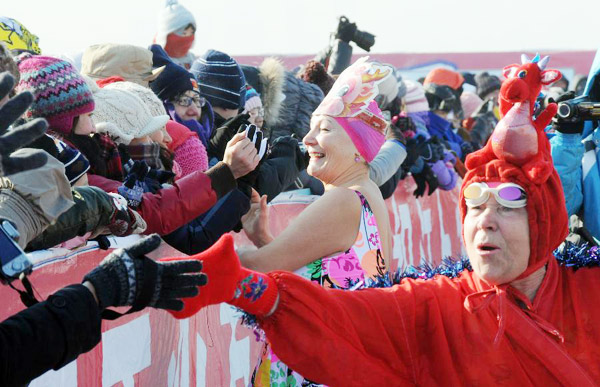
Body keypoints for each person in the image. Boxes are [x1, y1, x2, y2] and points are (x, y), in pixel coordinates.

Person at [160, 55, 600, 384]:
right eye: (475, 203)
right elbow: (344, 300)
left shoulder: (343, 202)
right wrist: (256, 268)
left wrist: (202, 271)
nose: (485, 220)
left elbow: (310, 283)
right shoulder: (436, 297)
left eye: (507, 204)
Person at [173, 58, 393, 385]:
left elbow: (260, 267)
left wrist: (176, 261)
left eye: (326, 129)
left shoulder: (343, 199)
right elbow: (325, 276)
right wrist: (264, 238)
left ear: (359, 148)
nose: (308, 139)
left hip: (315, 367)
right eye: (311, 127)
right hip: (336, 360)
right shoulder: (367, 192)